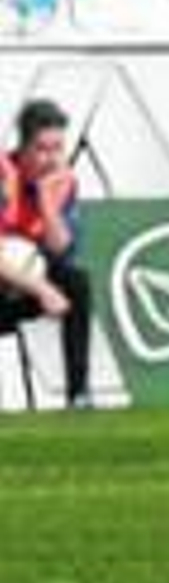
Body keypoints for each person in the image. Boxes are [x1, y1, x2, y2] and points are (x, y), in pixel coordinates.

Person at [0, 98, 92, 409]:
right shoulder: (4, 176)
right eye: (42, 149)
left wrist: (46, 201)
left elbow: (60, 249)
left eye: (58, 149)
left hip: (23, 283)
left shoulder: (63, 182)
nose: (51, 159)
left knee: (76, 282)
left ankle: (78, 395)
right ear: (23, 148)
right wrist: (42, 289)